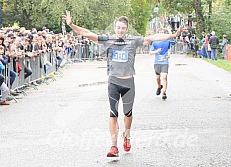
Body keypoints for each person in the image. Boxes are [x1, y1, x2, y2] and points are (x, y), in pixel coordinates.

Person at [62, 11, 182, 157]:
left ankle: (127, 134)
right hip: (113, 82)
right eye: (118, 28)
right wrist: (71, 25)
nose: (120, 30)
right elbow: (88, 33)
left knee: (128, 114)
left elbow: (153, 37)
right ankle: (113, 146)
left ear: (127, 29)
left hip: (128, 84)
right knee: (113, 113)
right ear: (115, 28)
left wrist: (173, 35)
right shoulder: (108, 40)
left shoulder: (133, 40)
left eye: (123, 28)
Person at [149, 28, 171, 100]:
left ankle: (164, 92)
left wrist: (169, 54)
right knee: (157, 77)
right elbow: (150, 52)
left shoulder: (167, 41)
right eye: (160, 32)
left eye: (162, 32)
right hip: (157, 62)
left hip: (165, 61)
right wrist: (156, 51)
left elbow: (168, 48)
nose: (161, 34)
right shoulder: (155, 42)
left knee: (164, 76)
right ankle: (159, 86)